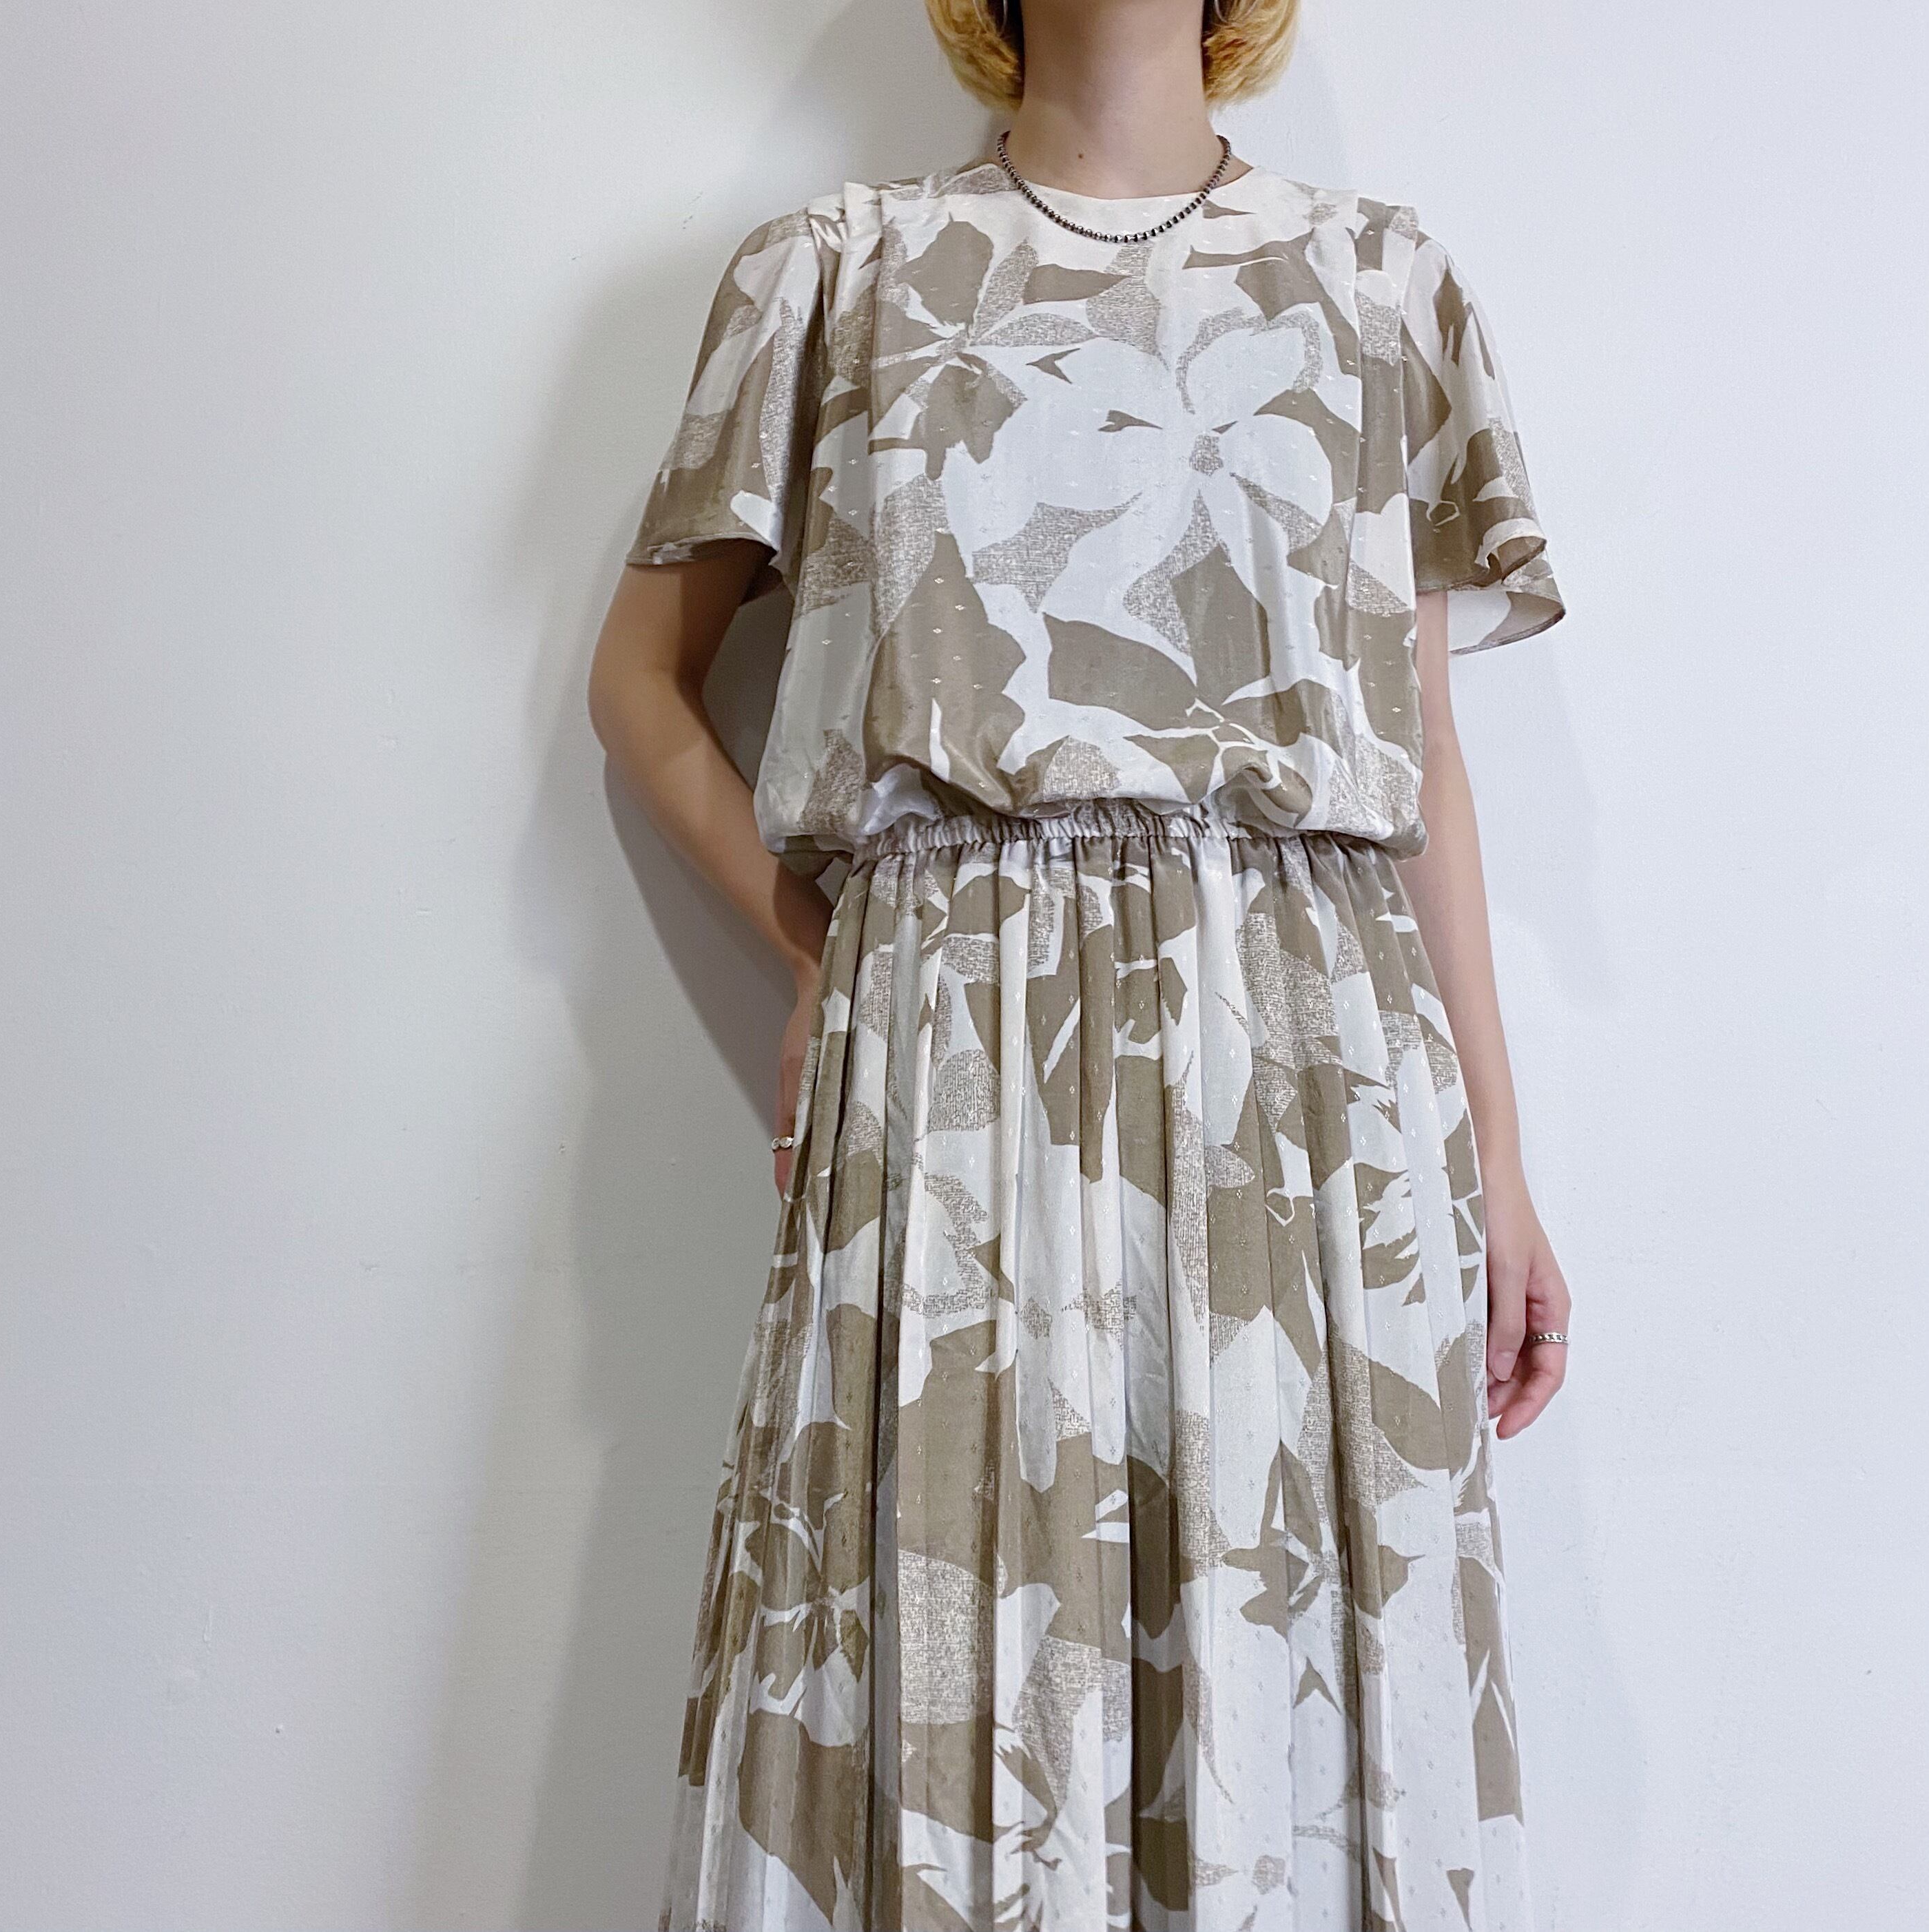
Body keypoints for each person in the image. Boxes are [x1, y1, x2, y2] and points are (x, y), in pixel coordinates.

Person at [588, 1, 1575, 1923]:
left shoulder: (1381, 284)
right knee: (949, 1622)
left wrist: (1505, 1168)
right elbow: (643, 683)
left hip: (1308, 1068)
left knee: (1281, 1653)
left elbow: (1422, 755)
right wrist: (817, 954)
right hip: (960, 1048)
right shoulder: (838, 275)